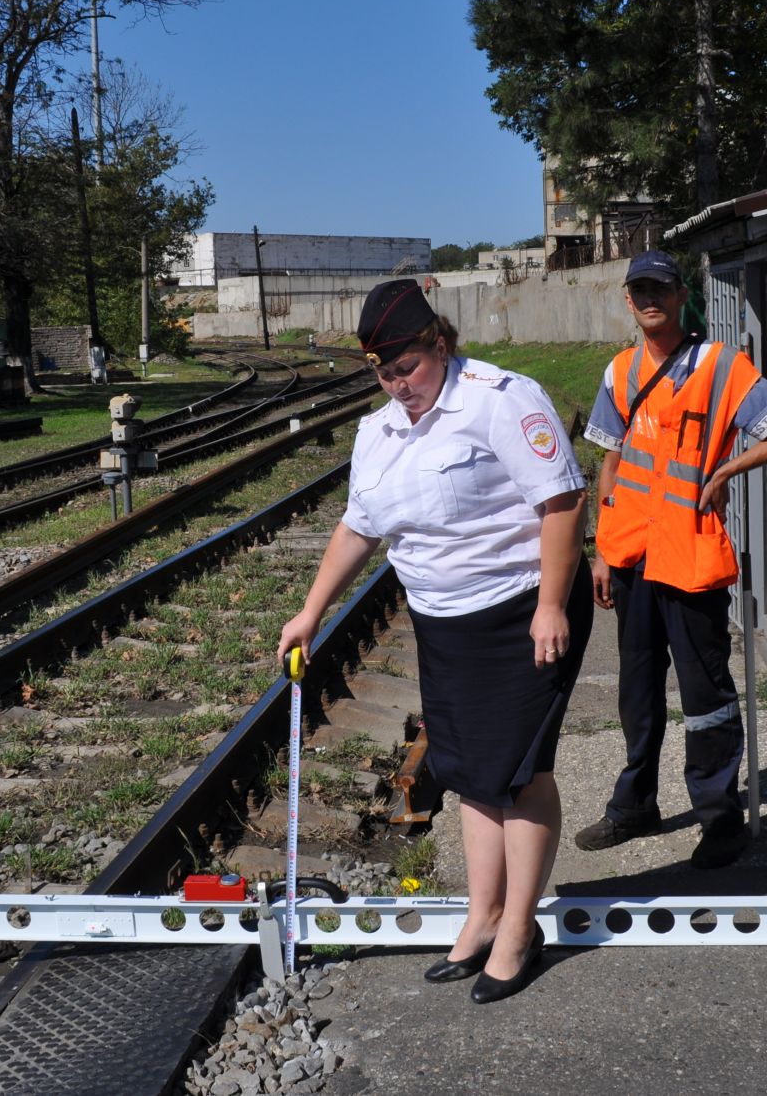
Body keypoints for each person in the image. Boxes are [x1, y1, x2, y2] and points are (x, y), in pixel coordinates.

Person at [276, 279, 590, 1004]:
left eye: (407, 368)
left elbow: (563, 501)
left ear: (439, 343)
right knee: (466, 769)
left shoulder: (501, 398)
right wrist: (311, 610)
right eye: (383, 374)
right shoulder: (378, 430)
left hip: (520, 612)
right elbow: (359, 525)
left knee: (516, 770)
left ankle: (520, 929)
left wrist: (550, 604)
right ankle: (481, 916)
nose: (397, 385)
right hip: (443, 621)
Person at [573, 249, 767, 870]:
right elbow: (612, 458)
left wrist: (730, 466)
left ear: (682, 295)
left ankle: (720, 820)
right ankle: (635, 807)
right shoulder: (620, 370)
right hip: (629, 555)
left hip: (690, 555)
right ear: (629, 300)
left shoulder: (721, 365)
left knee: (706, 693)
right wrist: (600, 549)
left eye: (662, 288)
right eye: (640, 290)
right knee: (637, 689)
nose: (651, 299)